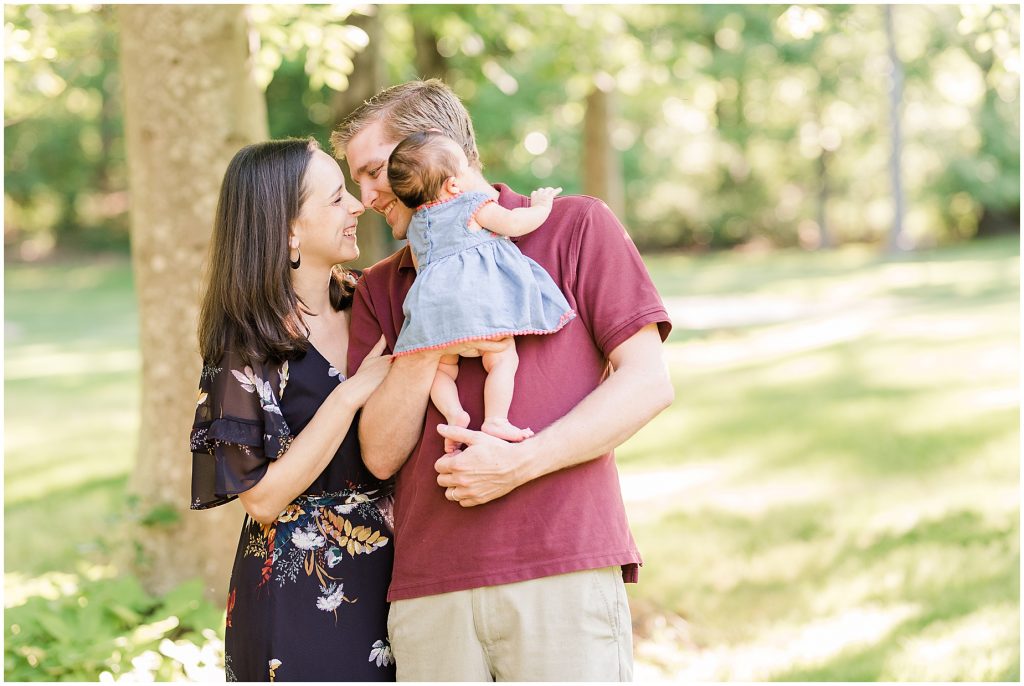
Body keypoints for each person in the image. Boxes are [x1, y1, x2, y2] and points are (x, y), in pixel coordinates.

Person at [332, 79, 674, 682]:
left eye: (372, 172)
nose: (362, 198)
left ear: (432, 151)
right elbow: (380, 457)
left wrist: (521, 461)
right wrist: (424, 342)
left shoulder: (574, 227)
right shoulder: (383, 286)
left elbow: (647, 383)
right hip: (429, 593)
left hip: (561, 574)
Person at [188, 137, 397, 682]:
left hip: (402, 580)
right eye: (335, 199)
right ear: (287, 230)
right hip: (301, 597)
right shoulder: (245, 344)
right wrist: (349, 395)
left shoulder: (369, 302)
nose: (357, 204)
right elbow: (260, 498)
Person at [386, 129, 573, 445]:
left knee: (442, 371)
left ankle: (454, 414)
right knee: (502, 358)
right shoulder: (471, 204)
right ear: (454, 183)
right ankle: (496, 420)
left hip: (437, 321)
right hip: (479, 312)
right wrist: (541, 206)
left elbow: (423, 270)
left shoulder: (418, 226)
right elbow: (514, 224)